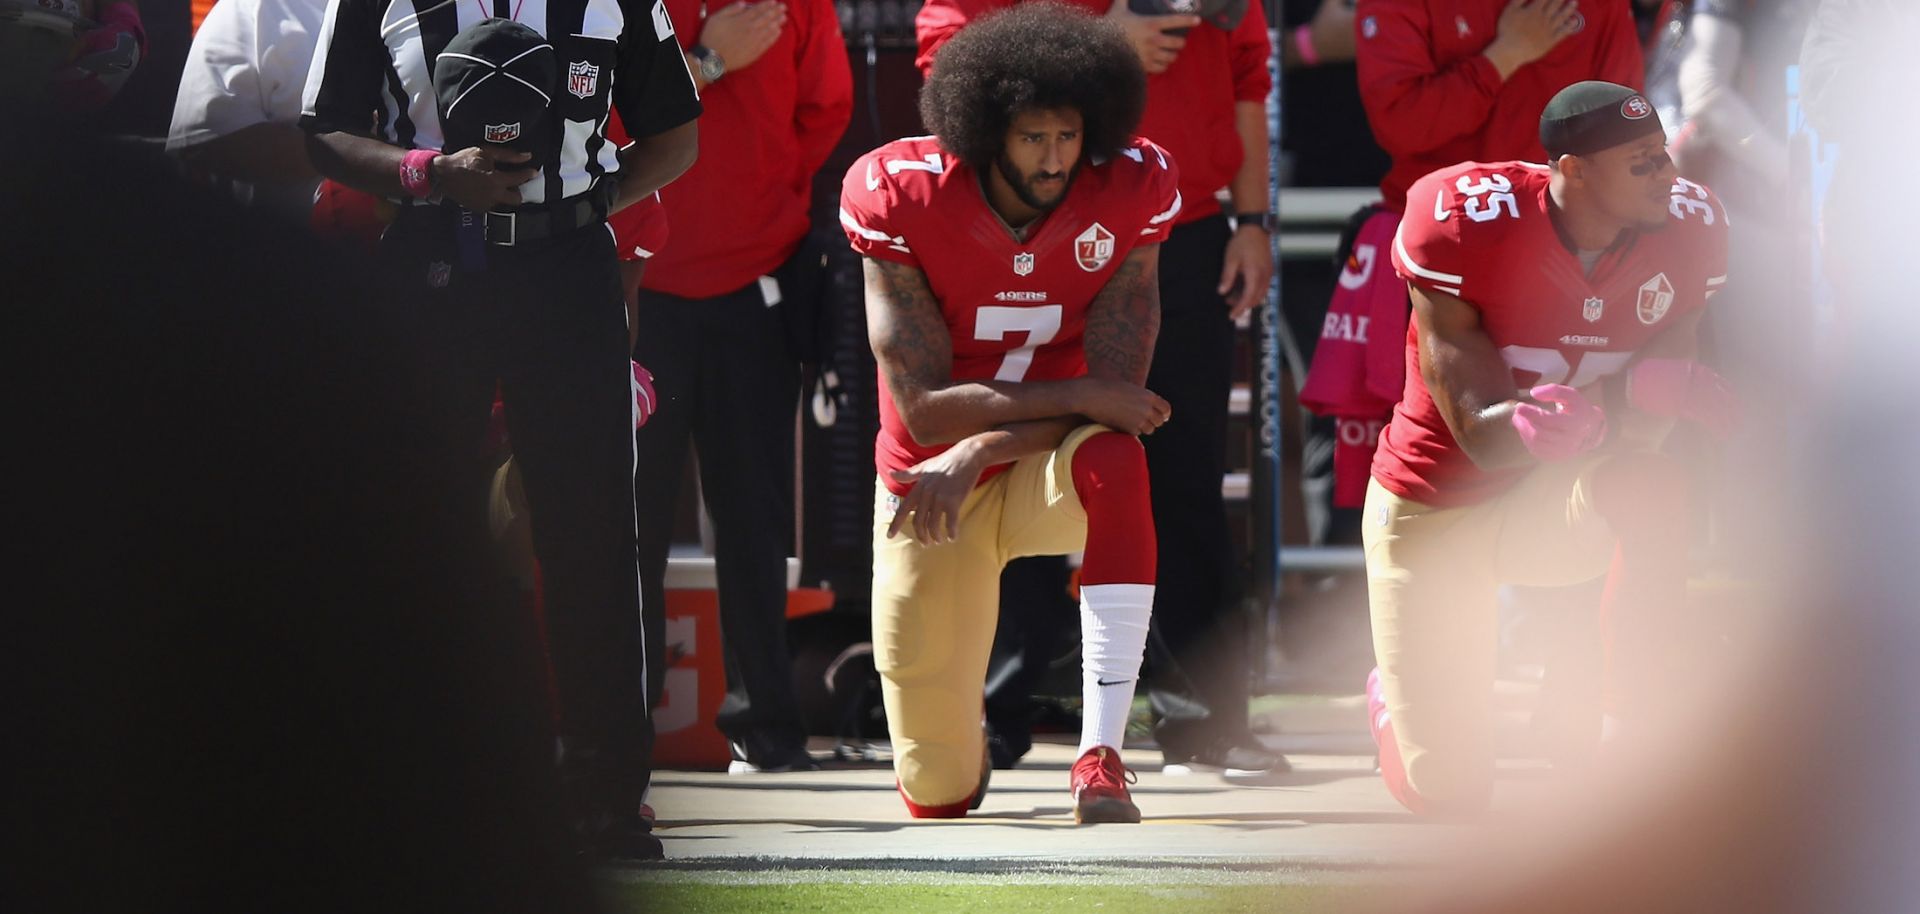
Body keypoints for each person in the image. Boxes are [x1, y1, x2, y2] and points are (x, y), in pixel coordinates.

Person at [300, 0, 700, 861]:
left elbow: (677, 133)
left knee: (593, 536)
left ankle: (605, 795)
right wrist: (431, 175)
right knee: (413, 528)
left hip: (566, 276)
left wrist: (590, 204)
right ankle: (405, 783)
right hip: (433, 263)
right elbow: (324, 129)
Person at [918, 0, 1286, 783]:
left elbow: (1250, 79)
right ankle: (998, 714)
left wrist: (1253, 217)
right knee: (1010, 467)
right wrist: (1091, 52)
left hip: (1181, 230)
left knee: (1184, 472)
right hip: (1029, 233)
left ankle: (1205, 722)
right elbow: (944, 58)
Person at [1364, 81, 1735, 817]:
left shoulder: (1689, 228)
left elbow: (1642, 441)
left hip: (1557, 500)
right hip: (1438, 510)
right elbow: (1482, 438)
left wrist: (1639, 411)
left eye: (1662, 154)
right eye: (1642, 162)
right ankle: (1389, 706)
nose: (1668, 173)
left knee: (1654, 485)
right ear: (1573, 170)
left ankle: (1630, 727)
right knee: (1448, 794)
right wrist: (1615, 403)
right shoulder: (1464, 220)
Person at [842, 2, 1176, 822]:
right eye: (1034, 138)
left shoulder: (1131, 184)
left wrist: (982, 447)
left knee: (1116, 459)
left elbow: (1118, 406)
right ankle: (964, 753)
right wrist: (1059, 402)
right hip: (930, 492)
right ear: (986, 130)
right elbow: (921, 413)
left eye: (1068, 135)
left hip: (1033, 465)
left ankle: (1101, 756)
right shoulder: (899, 192)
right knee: (937, 792)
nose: (1056, 158)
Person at [1301, 0, 1645, 525]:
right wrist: (1504, 55)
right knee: (1411, 469)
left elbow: (1624, 141)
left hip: (1565, 259)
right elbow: (1401, 124)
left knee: (1560, 467)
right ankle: (1351, 603)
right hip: (1430, 266)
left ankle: (1546, 604)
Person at [630, 0, 851, 775]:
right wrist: (704, 63)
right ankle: (615, 736)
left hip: (755, 285)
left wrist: (766, 194)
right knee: (627, 522)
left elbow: (825, 111)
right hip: (630, 289)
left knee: (754, 521)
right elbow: (589, 122)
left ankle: (766, 729)